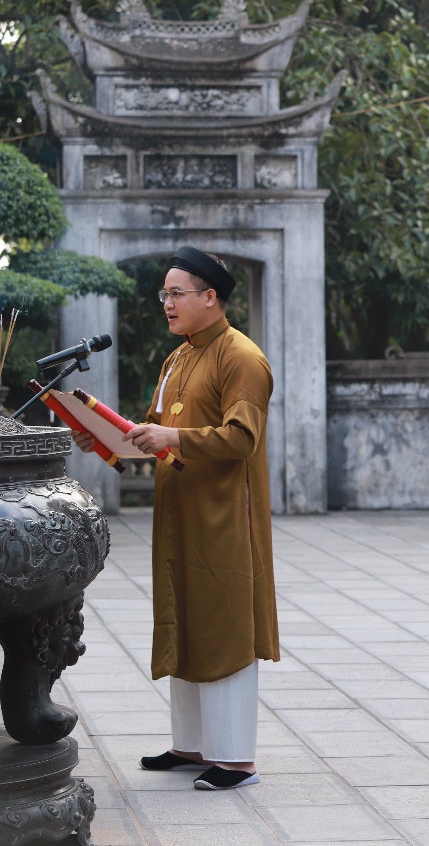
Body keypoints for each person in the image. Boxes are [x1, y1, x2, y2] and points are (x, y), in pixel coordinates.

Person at [94, 246, 277, 792]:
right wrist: (100, 438)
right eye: (165, 294)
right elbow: (151, 431)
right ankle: (192, 745)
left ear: (210, 297)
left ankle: (236, 760)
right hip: (180, 511)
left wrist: (171, 436)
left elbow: (242, 438)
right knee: (187, 617)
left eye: (176, 293)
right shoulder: (177, 357)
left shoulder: (241, 357)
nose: (167, 304)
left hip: (223, 515)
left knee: (224, 624)